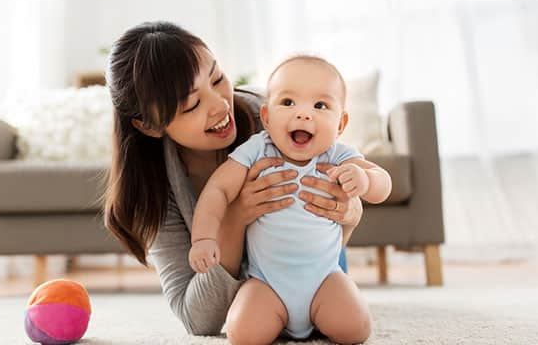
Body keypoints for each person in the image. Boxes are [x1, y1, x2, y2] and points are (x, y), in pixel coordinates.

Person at [104, 21, 368, 342]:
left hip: (317, 264)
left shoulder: (274, 122)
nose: (219, 105)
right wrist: (234, 219)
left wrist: (350, 212)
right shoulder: (154, 188)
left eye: (217, 78)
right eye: (192, 104)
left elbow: (343, 195)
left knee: (348, 320)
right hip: (256, 298)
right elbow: (198, 320)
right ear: (149, 125)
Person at [188, 55, 392, 343]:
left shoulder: (338, 155)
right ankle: (278, 318)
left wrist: (366, 179)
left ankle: (320, 314)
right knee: (243, 334)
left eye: (320, 105)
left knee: (355, 329)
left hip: (325, 279)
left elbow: (383, 183)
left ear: (341, 123)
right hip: (267, 284)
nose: (304, 114)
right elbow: (217, 190)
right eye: (288, 103)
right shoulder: (258, 149)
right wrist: (204, 238)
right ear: (267, 118)